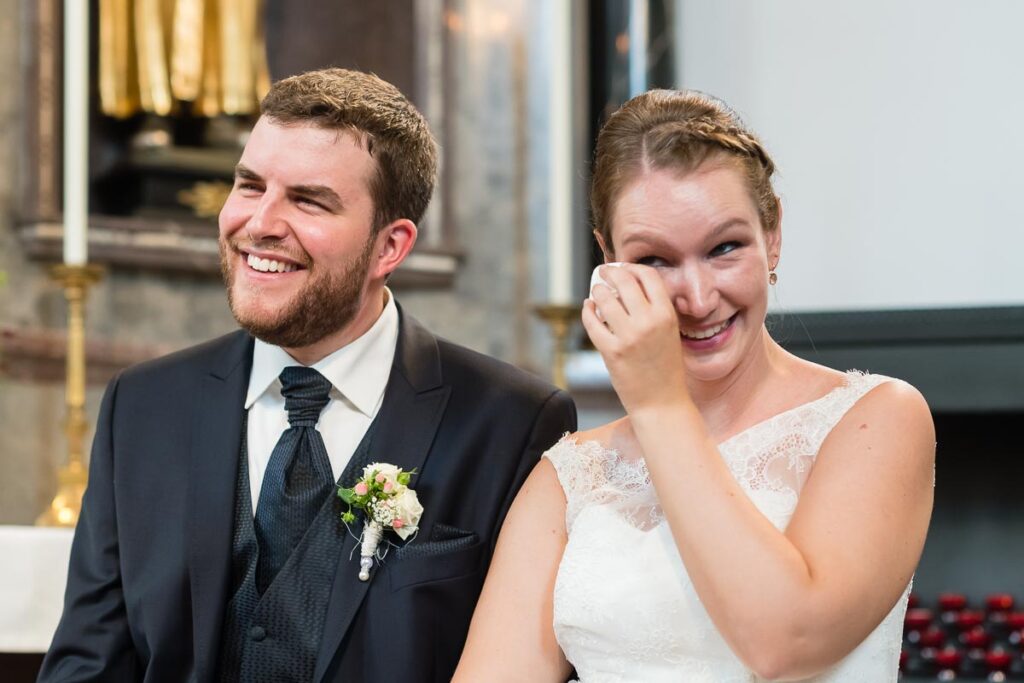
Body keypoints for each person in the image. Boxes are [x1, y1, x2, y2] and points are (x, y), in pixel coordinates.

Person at [39, 68, 576, 683]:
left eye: (308, 200)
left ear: (389, 247)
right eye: (249, 185)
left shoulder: (511, 423)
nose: (259, 223)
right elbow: (89, 664)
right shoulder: (142, 407)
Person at [455, 89, 935, 682]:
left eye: (724, 248)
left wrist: (657, 403)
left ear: (773, 233)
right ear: (608, 258)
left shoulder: (875, 419)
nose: (700, 299)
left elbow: (788, 643)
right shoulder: (569, 476)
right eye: (655, 260)